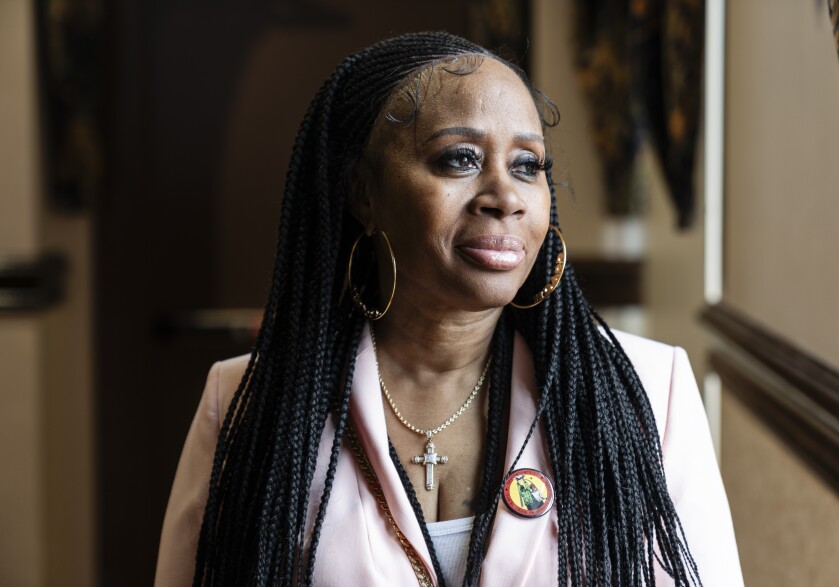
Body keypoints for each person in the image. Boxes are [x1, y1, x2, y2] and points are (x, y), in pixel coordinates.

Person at [155, 31, 743, 586]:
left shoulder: (649, 393)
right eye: (459, 159)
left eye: (528, 166)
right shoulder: (248, 403)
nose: (506, 198)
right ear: (364, 192)